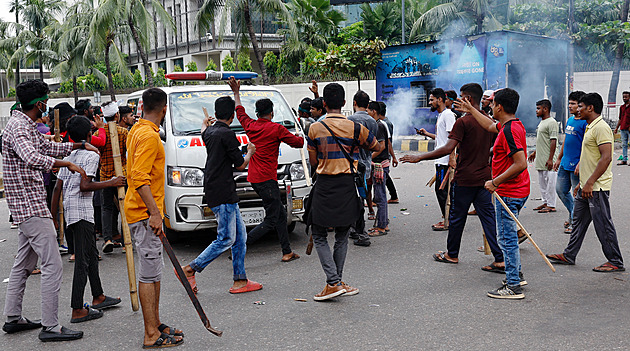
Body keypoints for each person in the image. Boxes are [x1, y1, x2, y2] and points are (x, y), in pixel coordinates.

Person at [2, 79, 99, 341]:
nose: (49, 104)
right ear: (40, 103)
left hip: (27, 204)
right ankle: (51, 326)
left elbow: (45, 147)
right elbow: (32, 158)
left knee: (24, 263)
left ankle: (12, 318)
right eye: (47, 99)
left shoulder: (25, 124)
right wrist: (66, 163)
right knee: (53, 264)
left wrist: (77, 146)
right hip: (29, 205)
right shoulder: (19, 127)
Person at [401, 83, 505, 272]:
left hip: (465, 179)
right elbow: (494, 148)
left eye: (461, 97)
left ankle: (452, 254)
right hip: (483, 178)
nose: (457, 100)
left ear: (469, 100)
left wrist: (419, 157)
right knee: (488, 218)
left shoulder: (463, 122)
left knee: (457, 218)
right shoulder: (489, 121)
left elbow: (448, 148)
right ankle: (500, 259)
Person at [180, 93, 263, 294]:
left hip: (218, 189)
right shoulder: (227, 134)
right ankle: (191, 269)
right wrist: (250, 151)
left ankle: (240, 279)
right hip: (223, 191)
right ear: (232, 116)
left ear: (216, 114)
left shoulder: (209, 132)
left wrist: (204, 123)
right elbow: (240, 164)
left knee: (240, 236)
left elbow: (202, 131)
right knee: (226, 238)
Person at [307, 83, 381, 301]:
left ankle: (333, 283)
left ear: (324, 104)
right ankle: (337, 281)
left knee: (320, 234)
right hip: (347, 185)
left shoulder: (314, 129)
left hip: (324, 185)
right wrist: (355, 151)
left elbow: (313, 161)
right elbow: (377, 147)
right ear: (345, 103)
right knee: (341, 235)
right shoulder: (354, 128)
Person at [455, 88, 530, 299]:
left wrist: (494, 181)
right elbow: (488, 124)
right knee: (507, 237)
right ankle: (516, 274)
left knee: (506, 239)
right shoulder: (511, 125)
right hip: (515, 189)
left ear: (500, 107)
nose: (489, 106)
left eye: (492, 103)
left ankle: (513, 285)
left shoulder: (509, 131)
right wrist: (471, 109)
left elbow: (521, 163)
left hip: (509, 191)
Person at [124, 88, 184, 348]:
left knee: (154, 272)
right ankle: (150, 334)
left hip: (142, 212)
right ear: (164, 109)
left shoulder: (136, 129)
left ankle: (155, 324)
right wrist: (156, 213)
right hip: (144, 214)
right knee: (149, 275)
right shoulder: (147, 136)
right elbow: (139, 177)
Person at [51, 115, 124, 323]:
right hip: (82, 212)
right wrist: (111, 182)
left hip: (72, 211)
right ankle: (77, 308)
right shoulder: (91, 156)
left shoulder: (70, 154)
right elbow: (85, 185)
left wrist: (54, 216)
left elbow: (58, 188)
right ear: (89, 135)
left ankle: (98, 296)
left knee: (91, 255)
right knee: (83, 261)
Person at [546, 93, 624, 273]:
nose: (577, 109)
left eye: (580, 106)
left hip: (596, 187)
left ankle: (615, 261)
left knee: (603, 224)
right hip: (586, 185)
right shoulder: (590, 126)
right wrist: (582, 183)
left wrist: (589, 183)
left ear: (591, 108)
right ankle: (569, 254)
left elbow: (606, 158)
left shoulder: (601, 127)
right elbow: (590, 158)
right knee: (578, 222)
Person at [228, 79, 304, 262]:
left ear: (257, 112)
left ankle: (287, 251)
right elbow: (298, 143)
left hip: (254, 177)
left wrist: (236, 92)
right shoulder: (276, 129)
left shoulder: (250, 126)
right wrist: (301, 134)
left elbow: (240, 111)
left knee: (279, 214)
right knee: (272, 218)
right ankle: (239, 248)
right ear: (271, 112)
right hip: (267, 179)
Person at [416, 88, 456, 230]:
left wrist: (452, 158)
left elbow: (454, 138)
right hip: (441, 160)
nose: (429, 102)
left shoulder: (448, 115)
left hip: (445, 161)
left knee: (442, 192)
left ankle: (448, 221)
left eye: (432, 99)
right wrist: (426, 133)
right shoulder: (441, 115)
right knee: (442, 191)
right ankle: (447, 218)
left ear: (440, 99)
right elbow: (442, 138)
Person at [347, 90, 379, 247]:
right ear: (367, 105)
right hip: (366, 164)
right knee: (362, 195)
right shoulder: (373, 121)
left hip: (352, 165)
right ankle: (357, 228)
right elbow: (375, 145)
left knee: (354, 199)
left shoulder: (350, 120)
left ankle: (358, 230)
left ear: (354, 103)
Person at [554, 91, 587, 234]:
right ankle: (574, 216)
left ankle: (575, 221)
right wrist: (559, 157)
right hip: (565, 163)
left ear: (580, 106)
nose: (569, 106)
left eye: (573, 104)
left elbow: (587, 146)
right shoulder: (570, 120)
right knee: (560, 190)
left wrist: (581, 163)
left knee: (576, 195)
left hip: (576, 166)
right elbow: (566, 140)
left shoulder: (586, 123)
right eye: (569, 103)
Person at [99, 101, 129, 253]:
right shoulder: (123, 132)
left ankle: (108, 239)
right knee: (124, 206)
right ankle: (125, 242)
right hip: (122, 174)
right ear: (117, 115)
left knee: (106, 208)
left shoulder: (100, 133)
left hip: (105, 176)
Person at [528, 99, 558, 213]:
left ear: (545, 109)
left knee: (550, 183)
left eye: (538, 108)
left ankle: (551, 205)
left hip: (549, 160)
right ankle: (545, 202)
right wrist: (535, 153)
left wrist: (550, 159)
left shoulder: (552, 122)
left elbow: (553, 141)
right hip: (541, 159)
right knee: (542, 183)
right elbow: (542, 140)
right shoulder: (542, 122)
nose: (536, 111)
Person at [367, 101, 391, 236]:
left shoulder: (379, 126)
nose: (367, 113)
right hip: (378, 164)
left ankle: (381, 227)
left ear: (374, 111)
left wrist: (369, 157)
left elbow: (381, 146)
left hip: (379, 165)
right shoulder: (376, 125)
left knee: (380, 196)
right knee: (379, 195)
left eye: (368, 111)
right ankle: (382, 223)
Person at [379, 102, 400, 204]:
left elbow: (388, 142)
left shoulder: (384, 123)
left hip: (384, 153)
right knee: (385, 176)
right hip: (385, 153)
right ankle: (393, 195)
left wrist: (392, 156)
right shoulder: (385, 122)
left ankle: (393, 196)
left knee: (383, 176)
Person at [614, 91, 630, 165]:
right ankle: (624, 159)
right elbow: (620, 118)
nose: (624, 98)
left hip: (629, 129)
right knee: (624, 144)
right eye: (623, 97)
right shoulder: (622, 107)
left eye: (626, 97)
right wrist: (617, 128)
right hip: (623, 128)